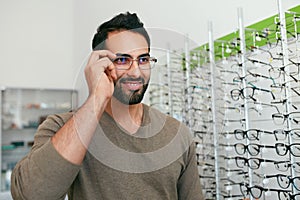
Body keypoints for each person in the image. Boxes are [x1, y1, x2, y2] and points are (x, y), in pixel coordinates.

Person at [11, 12, 204, 200]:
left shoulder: (177, 133)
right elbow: (30, 194)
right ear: (100, 64)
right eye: (122, 60)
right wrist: (96, 97)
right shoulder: (60, 127)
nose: (136, 72)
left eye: (143, 59)